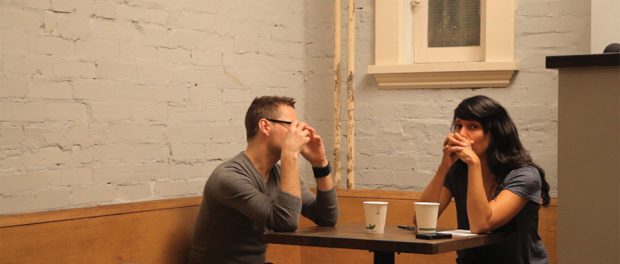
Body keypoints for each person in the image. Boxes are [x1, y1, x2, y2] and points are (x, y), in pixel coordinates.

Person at [187, 96, 338, 264]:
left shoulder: (280, 174)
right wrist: (290, 155)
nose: (298, 133)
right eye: (291, 125)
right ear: (265, 126)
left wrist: (320, 164)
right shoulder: (229, 177)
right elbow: (286, 223)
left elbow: (327, 218)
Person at [416, 95, 550, 264]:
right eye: (458, 126)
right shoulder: (458, 172)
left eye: (473, 126)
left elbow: (481, 224)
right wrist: (445, 165)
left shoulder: (524, 175)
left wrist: (474, 164)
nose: (461, 134)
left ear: (495, 133)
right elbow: (421, 220)